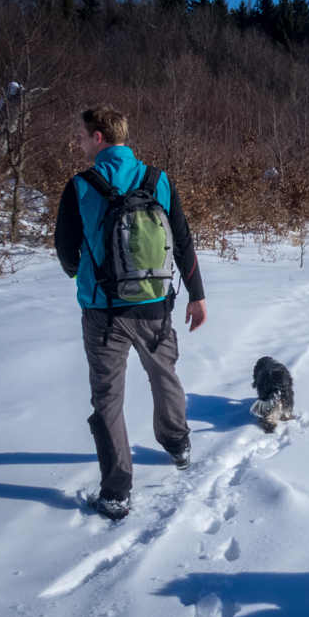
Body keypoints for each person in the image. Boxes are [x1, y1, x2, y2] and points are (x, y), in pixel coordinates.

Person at [54, 107, 207, 520]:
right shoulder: (158, 180)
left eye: (82, 135)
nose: (79, 142)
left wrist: (84, 276)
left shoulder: (81, 185)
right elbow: (183, 241)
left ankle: (117, 492)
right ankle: (178, 444)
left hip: (102, 312)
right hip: (155, 305)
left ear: (99, 137)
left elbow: (66, 251)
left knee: (107, 398)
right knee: (165, 375)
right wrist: (196, 294)